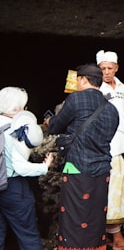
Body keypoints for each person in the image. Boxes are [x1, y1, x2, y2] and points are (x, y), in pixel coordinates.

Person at [46, 64, 119, 250]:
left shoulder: (76, 99)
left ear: (84, 79)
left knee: (73, 217)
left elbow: (55, 127)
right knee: (95, 217)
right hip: (102, 170)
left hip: (76, 167)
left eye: (78, 79)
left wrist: (49, 121)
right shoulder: (112, 109)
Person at [0, 87, 54, 250]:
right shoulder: (13, 131)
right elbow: (20, 167)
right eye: (23, 107)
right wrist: (44, 167)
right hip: (13, 186)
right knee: (27, 233)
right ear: (15, 109)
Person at [96, 50, 124, 250]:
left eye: (110, 68)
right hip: (106, 146)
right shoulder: (96, 87)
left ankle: (114, 237)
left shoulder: (122, 86)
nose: (106, 72)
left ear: (117, 68)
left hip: (121, 145)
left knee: (119, 192)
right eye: (102, 68)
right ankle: (115, 238)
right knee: (111, 192)